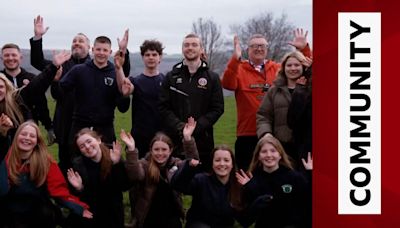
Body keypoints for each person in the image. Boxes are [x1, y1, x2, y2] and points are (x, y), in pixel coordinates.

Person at [29, 15, 131, 173]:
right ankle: (69, 194)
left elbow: (122, 75)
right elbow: (37, 62)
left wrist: (123, 51)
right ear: (93, 49)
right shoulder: (63, 64)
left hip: (101, 123)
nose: (76, 43)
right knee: (70, 165)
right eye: (74, 41)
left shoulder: (107, 68)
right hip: (67, 124)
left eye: (80, 41)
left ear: (89, 47)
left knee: (102, 163)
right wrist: (38, 37)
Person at [221, 29, 312, 170]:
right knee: (248, 176)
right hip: (248, 133)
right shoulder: (239, 69)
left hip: (276, 136)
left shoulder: (277, 69)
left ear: (267, 49)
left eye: (262, 46)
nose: (259, 49)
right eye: (254, 46)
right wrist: (235, 59)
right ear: (247, 49)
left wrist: (303, 50)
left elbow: (303, 70)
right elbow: (227, 84)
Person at [0, 121, 92, 228]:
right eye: (23, 134)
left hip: (37, 212)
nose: (27, 138)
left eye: (32, 136)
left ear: (37, 141)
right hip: (10, 212)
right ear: (16, 137)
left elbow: (59, 191)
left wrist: (79, 208)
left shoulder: (46, 162)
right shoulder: (7, 157)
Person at [159, 33, 224, 171]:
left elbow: (218, 108)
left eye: (194, 45)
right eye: (186, 45)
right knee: (175, 185)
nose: (190, 48)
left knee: (201, 184)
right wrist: (181, 127)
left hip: (203, 141)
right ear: (182, 49)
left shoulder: (212, 78)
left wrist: (197, 127)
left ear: (201, 49)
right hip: (175, 141)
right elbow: (163, 108)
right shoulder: (171, 77)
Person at [59, 35, 130, 157]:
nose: (101, 53)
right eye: (98, 49)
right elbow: (60, 92)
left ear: (110, 52)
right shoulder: (79, 70)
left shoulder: (115, 73)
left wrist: (125, 95)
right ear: (92, 50)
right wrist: (56, 81)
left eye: (105, 50)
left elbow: (123, 108)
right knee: (75, 163)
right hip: (79, 125)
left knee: (107, 165)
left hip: (105, 128)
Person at [123, 117, 199, 228]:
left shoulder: (175, 164)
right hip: (148, 219)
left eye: (164, 150)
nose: (160, 153)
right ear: (151, 150)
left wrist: (187, 138)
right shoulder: (144, 165)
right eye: (156, 149)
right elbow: (134, 174)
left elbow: (193, 163)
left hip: (171, 219)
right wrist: (131, 150)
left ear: (171, 150)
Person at [235, 134, 311, 228]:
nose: (269, 155)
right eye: (264, 151)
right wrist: (256, 203)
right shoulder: (253, 182)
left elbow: (308, 206)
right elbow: (244, 221)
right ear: (258, 156)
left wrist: (311, 174)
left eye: (273, 151)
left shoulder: (294, 178)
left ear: (280, 155)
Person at [66, 128, 131, 228]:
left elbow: (125, 186)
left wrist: (116, 164)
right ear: (80, 151)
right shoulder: (78, 166)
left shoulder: (113, 155)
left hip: (113, 210)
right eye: (82, 146)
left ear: (98, 140)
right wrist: (79, 188)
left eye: (89, 141)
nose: (87, 147)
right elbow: (85, 199)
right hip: (92, 211)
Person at [256, 51, 312, 165]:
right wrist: (266, 133)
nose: (293, 68)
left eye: (297, 65)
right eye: (289, 65)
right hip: (281, 146)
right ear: (283, 68)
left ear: (303, 67)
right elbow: (263, 115)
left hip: (306, 146)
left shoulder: (311, 89)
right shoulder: (274, 90)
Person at [171, 145, 244, 228]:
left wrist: (251, 188)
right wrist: (188, 168)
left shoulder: (238, 186)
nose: (222, 164)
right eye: (217, 160)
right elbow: (178, 185)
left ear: (232, 165)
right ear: (212, 164)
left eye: (226, 160)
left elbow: (245, 219)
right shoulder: (201, 180)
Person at [115, 39, 165, 158]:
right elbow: (126, 87)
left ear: (160, 58)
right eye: (147, 55)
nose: (151, 57)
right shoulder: (136, 81)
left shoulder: (166, 81)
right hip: (140, 135)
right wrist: (119, 68)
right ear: (143, 57)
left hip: (161, 136)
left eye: (154, 54)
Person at [1, 43, 55, 145]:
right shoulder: (0, 80)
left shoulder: (32, 78)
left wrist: (49, 126)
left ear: (20, 57)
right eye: (6, 55)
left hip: (28, 129)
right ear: (1, 58)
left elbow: (41, 103)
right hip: (4, 129)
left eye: (13, 55)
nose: (10, 58)